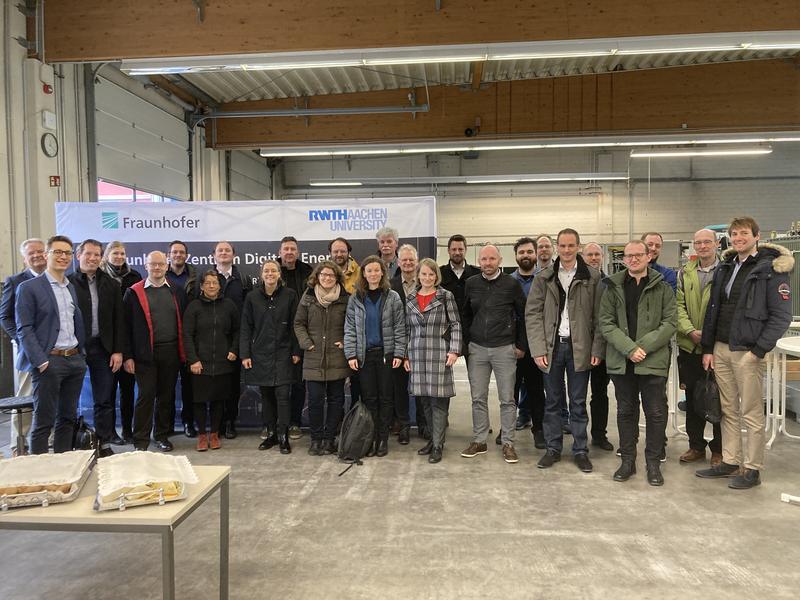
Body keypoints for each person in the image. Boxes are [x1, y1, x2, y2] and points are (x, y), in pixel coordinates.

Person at [697, 216, 793, 489]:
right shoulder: (726, 267)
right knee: (728, 410)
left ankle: (752, 468)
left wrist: (759, 350)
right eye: (734, 234)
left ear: (756, 236)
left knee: (750, 411)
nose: (738, 238)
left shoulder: (771, 269)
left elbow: (781, 316)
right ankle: (730, 461)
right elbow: (713, 310)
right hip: (722, 348)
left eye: (743, 233)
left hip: (747, 352)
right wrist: (709, 347)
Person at [527, 229, 604, 473]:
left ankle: (580, 451)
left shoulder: (592, 277)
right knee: (552, 401)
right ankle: (553, 448)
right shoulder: (544, 277)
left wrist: (597, 348)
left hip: (580, 348)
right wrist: (538, 348)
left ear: (578, 247)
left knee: (578, 402)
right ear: (556, 247)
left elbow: (601, 317)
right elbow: (533, 315)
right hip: (552, 348)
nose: (567, 250)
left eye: (572, 245)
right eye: (563, 245)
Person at [599, 240, 676, 486]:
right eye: (629, 255)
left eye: (638, 255)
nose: (633, 259)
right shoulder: (612, 287)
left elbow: (670, 323)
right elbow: (606, 323)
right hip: (623, 361)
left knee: (655, 412)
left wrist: (643, 347)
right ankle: (628, 461)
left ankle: (653, 463)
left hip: (652, 360)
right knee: (625, 411)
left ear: (648, 256)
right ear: (624, 259)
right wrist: (630, 349)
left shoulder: (663, 287)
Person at [15, 235, 87, 455]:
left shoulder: (70, 287)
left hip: (74, 360)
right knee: (44, 422)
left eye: (67, 253)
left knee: (67, 419)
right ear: (46, 255)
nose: (63, 257)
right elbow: (24, 328)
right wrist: (41, 361)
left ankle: (63, 468)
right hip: (50, 362)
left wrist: (81, 356)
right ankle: (39, 471)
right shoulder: (29, 288)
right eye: (57, 252)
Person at [459, 244, 526, 464]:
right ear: (479, 261)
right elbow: (465, 315)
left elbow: (522, 316)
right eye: (484, 259)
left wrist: (520, 346)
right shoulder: (471, 284)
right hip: (477, 349)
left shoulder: (511, 284)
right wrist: (468, 342)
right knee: (478, 397)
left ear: (499, 260)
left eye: (492, 259)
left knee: (507, 399)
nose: (487, 263)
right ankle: (479, 440)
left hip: (504, 348)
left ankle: (508, 443)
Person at [123, 251, 188, 452]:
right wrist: (128, 356)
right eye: (153, 264)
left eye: (161, 264)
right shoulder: (133, 292)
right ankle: (140, 440)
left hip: (171, 352)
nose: (157, 268)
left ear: (167, 266)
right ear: (146, 265)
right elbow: (125, 328)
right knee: (145, 396)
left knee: (166, 396)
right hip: (144, 355)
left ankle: (161, 436)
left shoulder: (177, 291)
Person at [69, 239, 126, 457]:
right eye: (88, 254)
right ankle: (72, 443)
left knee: (104, 398)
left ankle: (102, 442)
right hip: (75, 349)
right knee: (69, 399)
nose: (92, 258)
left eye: (96, 255)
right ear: (78, 255)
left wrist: (118, 350)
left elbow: (118, 319)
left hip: (103, 348)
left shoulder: (110, 284)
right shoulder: (68, 283)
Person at [344, 255, 406, 457]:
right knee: (369, 398)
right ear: (363, 273)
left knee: (386, 398)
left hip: (386, 356)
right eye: (368, 270)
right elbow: (350, 329)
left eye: (376, 270)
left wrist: (399, 352)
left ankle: (383, 440)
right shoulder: (356, 298)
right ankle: (370, 439)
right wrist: (351, 354)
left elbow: (399, 328)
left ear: (382, 272)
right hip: (364, 356)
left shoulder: (393, 297)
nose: (373, 274)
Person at [404, 258, 462, 463]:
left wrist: (454, 350)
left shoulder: (446, 296)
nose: (427, 278)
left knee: (439, 402)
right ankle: (432, 439)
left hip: (439, 354)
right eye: (424, 274)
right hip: (417, 354)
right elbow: (406, 329)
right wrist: (405, 355)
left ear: (437, 276)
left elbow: (455, 324)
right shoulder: (410, 298)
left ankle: (438, 444)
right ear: (418, 275)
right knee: (425, 401)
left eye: (431, 274)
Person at [241, 260, 300, 454]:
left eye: (273, 270)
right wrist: (245, 354)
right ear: (261, 274)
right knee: (266, 397)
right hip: (260, 354)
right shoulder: (252, 297)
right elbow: (246, 327)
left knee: (283, 396)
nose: (270, 274)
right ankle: (271, 434)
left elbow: (295, 325)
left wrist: (296, 351)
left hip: (283, 353)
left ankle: (283, 436)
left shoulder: (290, 295)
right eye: (266, 271)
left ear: (279, 274)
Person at [675, 229, 723, 467]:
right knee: (693, 397)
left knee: (717, 399)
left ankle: (719, 449)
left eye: (707, 242)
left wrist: (709, 338)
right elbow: (678, 304)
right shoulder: (685, 272)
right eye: (698, 243)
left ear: (716, 244)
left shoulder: (726, 271)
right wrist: (690, 331)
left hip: (717, 347)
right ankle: (696, 446)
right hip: (689, 345)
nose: (702, 246)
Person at [294, 261, 351, 456]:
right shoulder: (308, 297)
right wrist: (307, 343)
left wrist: (345, 341)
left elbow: (352, 325)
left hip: (337, 358)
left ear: (337, 278)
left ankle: (329, 439)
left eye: (331, 275)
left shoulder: (345, 298)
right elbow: (298, 323)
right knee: (316, 401)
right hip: (313, 358)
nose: (327, 278)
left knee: (336, 401)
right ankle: (316, 439)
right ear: (317, 277)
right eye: (324, 275)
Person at [198, 240, 252, 439]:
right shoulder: (205, 278)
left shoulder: (243, 279)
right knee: (210, 387)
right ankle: (214, 426)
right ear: (213, 255)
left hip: (234, 340)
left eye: (227, 250)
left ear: (234, 255)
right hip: (209, 341)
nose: (223, 253)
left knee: (231, 386)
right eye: (220, 250)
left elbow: (248, 312)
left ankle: (230, 422)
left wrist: (238, 345)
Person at [182, 270, 240, 452]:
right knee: (199, 401)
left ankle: (214, 434)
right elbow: (187, 335)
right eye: (208, 283)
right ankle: (201, 435)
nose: (212, 286)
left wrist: (233, 350)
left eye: (215, 283)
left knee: (218, 401)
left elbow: (238, 331)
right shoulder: (194, 307)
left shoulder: (229, 305)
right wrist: (193, 360)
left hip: (223, 362)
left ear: (219, 285)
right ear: (201, 286)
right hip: (200, 363)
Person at [1, 237, 47, 456]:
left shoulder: (55, 278)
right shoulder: (15, 281)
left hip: (53, 348)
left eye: (41, 251)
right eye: (32, 253)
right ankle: (19, 444)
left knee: (49, 396)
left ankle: (48, 439)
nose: (37, 255)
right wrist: (23, 341)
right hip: (28, 351)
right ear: (24, 257)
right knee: (26, 396)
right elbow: (5, 317)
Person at [100, 240, 143, 443]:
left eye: (122, 254)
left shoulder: (134, 277)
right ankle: (110, 432)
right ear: (107, 255)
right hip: (105, 344)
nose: (119, 257)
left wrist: (129, 352)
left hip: (129, 343)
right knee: (107, 393)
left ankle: (128, 430)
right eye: (115, 253)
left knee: (127, 392)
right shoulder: (100, 278)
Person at [509, 236, 546, 449]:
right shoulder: (508, 282)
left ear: (536, 255)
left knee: (536, 391)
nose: (525, 256)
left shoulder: (545, 279)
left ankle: (538, 430)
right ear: (515, 256)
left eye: (529, 252)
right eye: (521, 252)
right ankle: (507, 429)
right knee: (510, 391)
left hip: (537, 346)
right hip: (513, 348)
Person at [278, 235, 314, 440]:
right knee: (279, 383)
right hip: (279, 335)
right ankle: (278, 423)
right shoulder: (273, 270)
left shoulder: (307, 271)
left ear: (297, 252)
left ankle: (295, 423)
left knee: (299, 383)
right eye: (286, 249)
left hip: (302, 333)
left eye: (293, 249)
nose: (289, 252)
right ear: (280, 252)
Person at [581, 242, 614, 451]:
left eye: (597, 254)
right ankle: (578, 434)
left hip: (603, 348)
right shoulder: (578, 280)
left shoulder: (609, 282)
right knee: (577, 394)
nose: (594, 258)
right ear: (583, 257)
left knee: (600, 393)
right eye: (590, 255)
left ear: (602, 257)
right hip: (581, 347)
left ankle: (599, 435)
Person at [167, 239, 198, 438]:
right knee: (167, 386)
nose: (178, 255)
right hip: (167, 336)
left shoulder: (195, 277)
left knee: (189, 386)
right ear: (169, 255)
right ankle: (166, 424)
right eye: (174, 252)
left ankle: (188, 422)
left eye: (181, 252)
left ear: (186, 255)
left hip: (189, 337)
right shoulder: (160, 275)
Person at [389, 243, 419, 445]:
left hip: (420, 343)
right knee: (399, 387)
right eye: (404, 260)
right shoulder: (390, 285)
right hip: (398, 343)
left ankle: (425, 424)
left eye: (411, 260)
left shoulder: (426, 282)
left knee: (422, 386)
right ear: (398, 262)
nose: (407, 263)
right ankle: (403, 425)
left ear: (416, 262)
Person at [439, 234, 480, 317]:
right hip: (447, 326)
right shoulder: (439, 274)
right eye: (454, 249)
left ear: (466, 250)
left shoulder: (477, 273)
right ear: (448, 251)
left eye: (460, 249)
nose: (457, 252)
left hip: (471, 326)